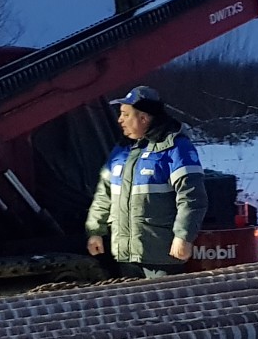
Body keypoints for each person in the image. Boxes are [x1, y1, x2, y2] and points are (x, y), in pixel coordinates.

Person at [85, 84, 208, 278]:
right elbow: (104, 195)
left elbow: (192, 198)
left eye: (125, 114)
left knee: (163, 307)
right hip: (125, 257)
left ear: (143, 117)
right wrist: (95, 231)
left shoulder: (176, 148)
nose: (119, 120)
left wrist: (183, 237)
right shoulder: (122, 151)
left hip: (161, 257)